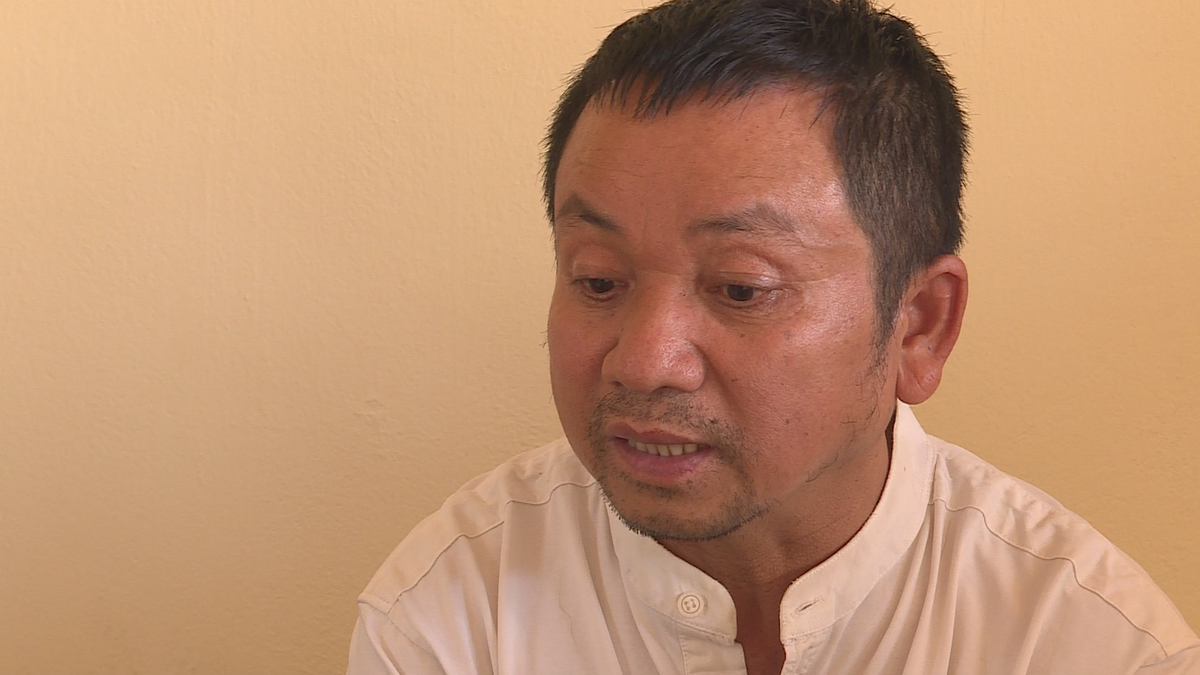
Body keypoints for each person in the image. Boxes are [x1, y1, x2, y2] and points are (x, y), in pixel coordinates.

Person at [346, 0, 1199, 673]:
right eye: (598, 280)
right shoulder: (455, 616)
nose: (644, 361)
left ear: (919, 325)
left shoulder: (1087, 643)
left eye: (741, 288)